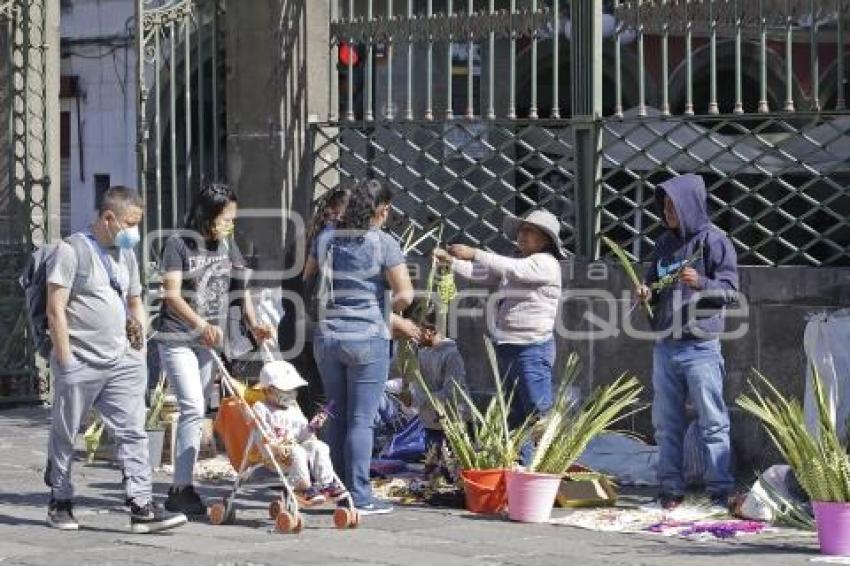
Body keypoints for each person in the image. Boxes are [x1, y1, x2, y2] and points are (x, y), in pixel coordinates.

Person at [44, 186, 186, 533]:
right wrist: (66, 359)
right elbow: (55, 309)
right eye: (130, 223)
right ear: (109, 218)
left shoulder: (127, 256)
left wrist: (136, 350)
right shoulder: (70, 251)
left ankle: (141, 506)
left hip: (121, 361)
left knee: (134, 432)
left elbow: (134, 298)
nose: (134, 232)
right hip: (80, 360)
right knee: (66, 433)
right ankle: (60, 500)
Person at [157, 182, 275, 516]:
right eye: (226, 217)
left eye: (232, 218)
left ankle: (184, 486)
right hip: (179, 337)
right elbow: (172, 295)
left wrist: (255, 324)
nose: (230, 223)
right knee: (193, 407)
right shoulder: (178, 244)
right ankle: (181, 489)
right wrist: (200, 324)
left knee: (199, 412)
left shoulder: (226, 243)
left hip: (209, 340)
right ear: (208, 214)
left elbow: (241, 287)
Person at [308, 178, 414, 515]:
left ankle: (336, 488)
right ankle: (360, 495)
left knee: (336, 415)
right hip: (367, 337)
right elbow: (405, 296)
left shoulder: (326, 237)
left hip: (327, 337)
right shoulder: (384, 243)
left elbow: (307, 276)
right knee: (361, 419)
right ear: (382, 210)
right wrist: (382, 303)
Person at [636, 173, 738, 510]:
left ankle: (720, 491)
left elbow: (731, 293)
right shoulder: (664, 243)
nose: (668, 212)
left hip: (701, 346)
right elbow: (655, 285)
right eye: (664, 206)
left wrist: (702, 282)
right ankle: (670, 491)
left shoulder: (716, 241)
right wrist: (646, 292)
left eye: (673, 206)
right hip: (666, 344)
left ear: (690, 205)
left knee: (712, 421)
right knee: (666, 424)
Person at [435, 209, 566, 464]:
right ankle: (521, 465)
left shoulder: (545, 263)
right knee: (515, 416)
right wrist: (452, 262)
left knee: (539, 413)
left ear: (545, 239)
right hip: (508, 347)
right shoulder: (520, 263)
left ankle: (548, 466)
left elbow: (513, 268)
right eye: (522, 230)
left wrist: (474, 252)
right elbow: (482, 273)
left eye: (530, 231)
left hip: (532, 348)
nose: (522, 235)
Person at [251, 360, 347, 506]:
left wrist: (311, 428)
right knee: (298, 452)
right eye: (285, 391)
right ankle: (302, 487)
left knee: (320, 447)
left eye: (292, 390)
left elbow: (303, 436)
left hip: (296, 448)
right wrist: (274, 445)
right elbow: (259, 433)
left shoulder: (293, 409)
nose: (291, 395)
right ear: (268, 391)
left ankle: (326, 484)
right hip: (276, 454)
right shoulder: (261, 408)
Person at [408, 303, 470, 458]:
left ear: (430, 332)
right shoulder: (420, 351)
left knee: (448, 469)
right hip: (430, 422)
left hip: (451, 424)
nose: (412, 335)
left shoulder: (451, 355)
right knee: (433, 468)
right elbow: (397, 368)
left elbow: (451, 392)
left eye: (416, 331)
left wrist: (416, 399)